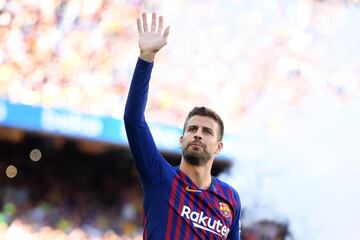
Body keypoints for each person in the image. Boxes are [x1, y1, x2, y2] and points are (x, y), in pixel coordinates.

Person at [124, 12, 241, 239]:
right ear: (182, 140)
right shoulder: (159, 177)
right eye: (192, 129)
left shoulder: (230, 199)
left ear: (218, 146)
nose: (197, 135)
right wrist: (146, 59)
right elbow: (133, 120)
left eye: (207, 132)